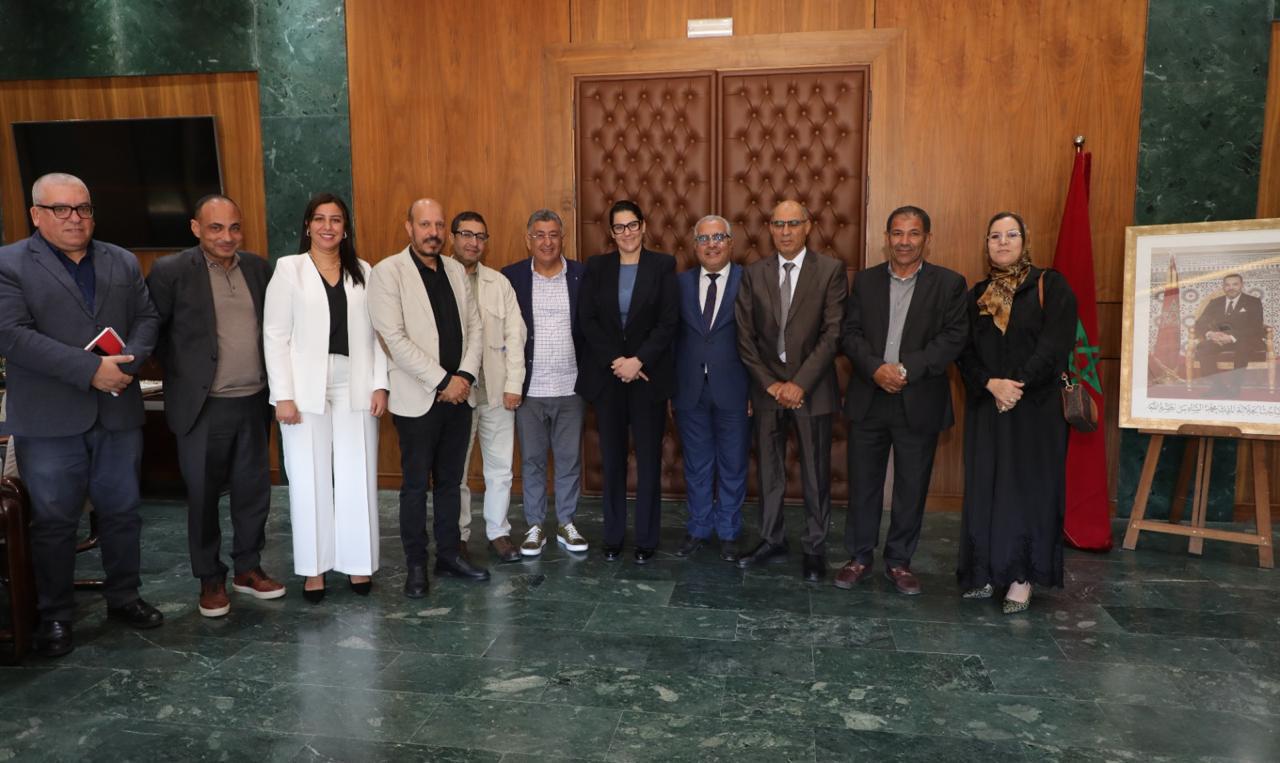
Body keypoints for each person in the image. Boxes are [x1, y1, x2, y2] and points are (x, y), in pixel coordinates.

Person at [0, 172, 162, 657]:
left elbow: (147, 318)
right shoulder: (9, 264)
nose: (75, 218)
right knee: (54, 522)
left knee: (123, 513)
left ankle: (124, 596)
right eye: (61, 209)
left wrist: (125, 364)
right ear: (37, 215)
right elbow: (12, 335)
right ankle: (55, 615)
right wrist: (91, 370)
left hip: (117, 412)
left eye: (83, 208)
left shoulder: (121, 260)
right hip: (49, 421)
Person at [148, 194, 283, 618]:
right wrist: (185, 376)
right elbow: (154, 333)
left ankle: (248, 568)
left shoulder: (259, 268)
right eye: (216, 228)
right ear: (196, 228)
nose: (227, 236)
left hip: (254, 401)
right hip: (203, 407)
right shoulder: (171, 271)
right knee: (204, 496)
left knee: (253, 492)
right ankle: (209, 577)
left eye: (234, 227)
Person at [264, 193, 389, 603]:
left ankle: (357, 563)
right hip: (303, 388)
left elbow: (378, 333)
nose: (327, 226)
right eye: (319, 219)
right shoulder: (289, 269)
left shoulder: (364, 271)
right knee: (308, 477)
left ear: (346, 228)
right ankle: (314, 569)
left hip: (355, 381)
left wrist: (380, 384)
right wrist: (283, 395)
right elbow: (275, 335)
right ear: (307, 226)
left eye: (336, 220)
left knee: (358, 473)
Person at [838, 205, 968, 595]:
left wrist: (905, 370)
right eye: (897, 233)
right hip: (869, 396)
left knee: (911, 486)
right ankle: (859, 557)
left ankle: (898, 561)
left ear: (927, 238)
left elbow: (952, 338)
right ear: (887, 238)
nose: (904, 241)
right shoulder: (866, 281)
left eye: (913, 233)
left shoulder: (949, 284)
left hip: (919, 398)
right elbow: (850, 334)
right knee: (864, 484)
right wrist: (876, 368)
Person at [956, 212, 1077, 613]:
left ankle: (1022, 578)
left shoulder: (1050, 285)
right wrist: (991, 384)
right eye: (995, 236)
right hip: (987, 406)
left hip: (1035, 411)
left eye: (1011, 234)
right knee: (986, 488)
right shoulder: (977, 294)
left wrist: (1016, 385)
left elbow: (1054, 346)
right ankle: (984, 572)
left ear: (1025, 240)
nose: (1003, 242)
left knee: (1027, 492)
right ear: (986, 244)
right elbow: (964, 351)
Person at [369, 198, 488, 598]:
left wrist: (464, 377)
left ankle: (449, 556)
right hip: (418, 398)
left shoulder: (455, 269)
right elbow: (393, 338)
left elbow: (475, 328)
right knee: (416, 486)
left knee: (452, 482)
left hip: (459, 397)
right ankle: (416, 565)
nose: (433, 232)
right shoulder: (388, 272)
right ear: (409, 228)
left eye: (438, 225)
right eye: (425, 225)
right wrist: (442, 381)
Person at [734, 199, 846, 581]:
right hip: (767, 390)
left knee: (815, 472)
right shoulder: (754, 273)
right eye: (778, 224)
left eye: (793, 224)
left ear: (808, 226)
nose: (785, 231)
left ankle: (814, 547)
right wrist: (771, 384)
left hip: (811, 390)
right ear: (770, 228)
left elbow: (833, 334)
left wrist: (799, 384)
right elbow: (745, 337)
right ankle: (772, 539)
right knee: (769, 471)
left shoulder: (830, 270)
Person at [577, 200, 679, 564]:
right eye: (619, 227)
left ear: (643, 225)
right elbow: (587, 320)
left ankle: (647, 539)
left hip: (648, 378)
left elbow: (668, 321)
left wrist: (638, 361)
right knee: (613, 460)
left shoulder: (663, 265)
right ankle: (613, 536)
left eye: (632, 225)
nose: (627, 233)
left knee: (649, 461)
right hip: (609, 378)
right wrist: (617, 361)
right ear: (611, 232)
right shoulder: (597, 267)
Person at [501, 209, 589, 558]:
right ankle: (535, 526)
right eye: (539, 235)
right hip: (529, 390)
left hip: (571, 387)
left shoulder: (581, 275)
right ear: (529, 240)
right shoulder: (512, 278)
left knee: (569, 461)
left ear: (562, 238)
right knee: (533, 461)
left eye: (553, 234)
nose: (547, 242)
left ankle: (567, 523)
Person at [448, 211, 527, 563]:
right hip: (455, 394)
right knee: (456, 472)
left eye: (480, 236)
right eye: (466, 234)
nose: (473, 242)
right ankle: (459, 536)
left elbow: (516, 334)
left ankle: (498, 532)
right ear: (453, 237)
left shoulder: (500, 283)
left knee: (500, 469)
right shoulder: (439, 278)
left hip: (496, 391)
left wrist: (514, 384)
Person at [672, 215, 750, 562]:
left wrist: (755, 389)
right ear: (694, 246)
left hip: (735, 389)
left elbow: (759, 339)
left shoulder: (750, 281)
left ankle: (729, 531)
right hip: (690, 389)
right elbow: (671, 338)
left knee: (733, 464)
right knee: (697, 465)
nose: (712, 244)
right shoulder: (680, 284)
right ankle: (699, 528)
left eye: (719, 237)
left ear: (731, 243)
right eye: (704, 239)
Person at [1193, 273, 1265, 395]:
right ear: (1223, 287)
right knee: (1203, 347)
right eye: (1227, 285)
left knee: (1243, 346)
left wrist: (1231, 337)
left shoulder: (1253, 302)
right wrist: (1210, 334)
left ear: (1241, 285)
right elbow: (1200, 323)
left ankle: (1235, 387)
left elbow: (1256, 327)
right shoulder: (1215, 302)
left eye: (1235, 284)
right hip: (1219, 339)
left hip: (1244, 339)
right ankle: (1218, 386)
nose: (1231, 288)